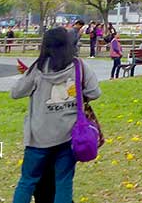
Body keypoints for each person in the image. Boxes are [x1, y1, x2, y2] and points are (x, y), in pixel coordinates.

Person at [11, 26, 101, 203]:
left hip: (38, 137)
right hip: (68, 136)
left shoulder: (37, 69)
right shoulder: (79, 66)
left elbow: (16, 92)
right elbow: (95, 92)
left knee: (27, 181)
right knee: (64, 182)